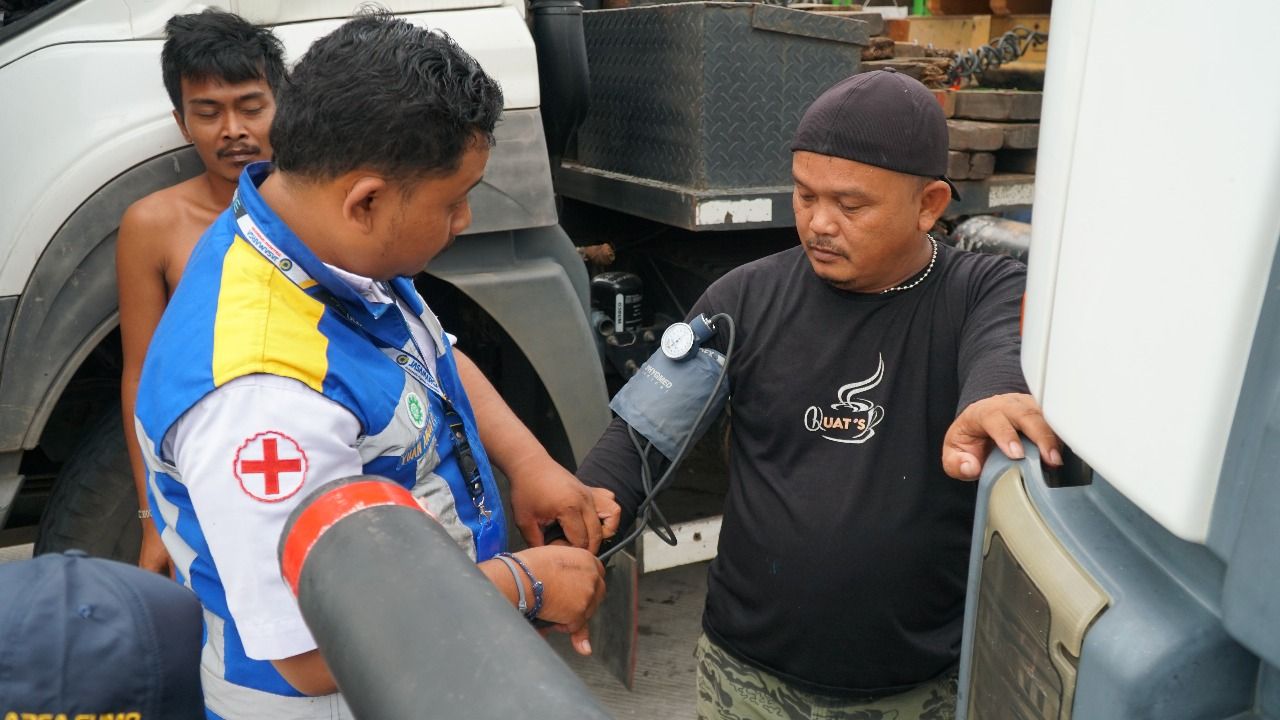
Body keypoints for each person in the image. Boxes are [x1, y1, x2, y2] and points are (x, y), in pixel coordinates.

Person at [133, 13, 617, 716]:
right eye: (453, 201)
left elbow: (423, 351)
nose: (465, 222)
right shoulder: (264, 399)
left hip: (427, 630)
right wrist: (523, 584)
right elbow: (311, 651)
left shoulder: (307, 237)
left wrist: (529, 461)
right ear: (366, 200)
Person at [577, 68, 1062, 720]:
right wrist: (586, 512)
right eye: (805, 196)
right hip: (745, 678)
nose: (819, 224)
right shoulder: (742, 299)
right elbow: (644, 435)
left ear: (929, 203)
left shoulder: (980, 290)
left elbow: (1000, 348)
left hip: (917, 689)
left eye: (851, 205)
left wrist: (993, 396)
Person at [118, 8, 285, 576]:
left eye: (250, 106)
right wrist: (151, 518)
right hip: (207, 479)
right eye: (208, 112)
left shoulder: (318, 212)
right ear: (182, 121)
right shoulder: (152, 225)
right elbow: (141, 374)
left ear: (280, 106)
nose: (232, 129)